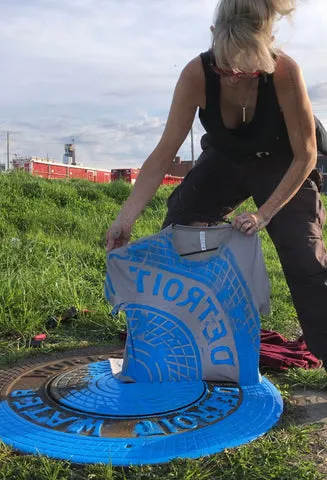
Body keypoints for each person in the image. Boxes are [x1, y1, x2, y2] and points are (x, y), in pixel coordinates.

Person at [106, 0, 327, 366]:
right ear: (213, 37)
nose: (235, 75)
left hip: (284, 162)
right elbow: (163, 155)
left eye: (248, 69)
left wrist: (264, 214)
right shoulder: (196, 73)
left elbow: (305, 156)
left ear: (268, 44)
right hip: (226, 158)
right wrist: (125, 219)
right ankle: (188, 337)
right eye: (226, 67)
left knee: (304, 258)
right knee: (180, 223)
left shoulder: (287, 72)